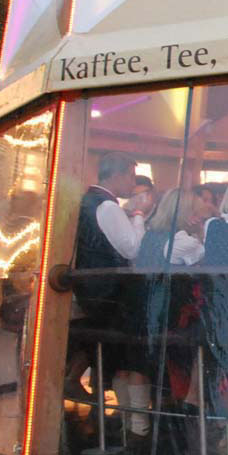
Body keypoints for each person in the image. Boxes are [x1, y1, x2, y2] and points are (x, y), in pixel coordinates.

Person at [71, 151, 153, 435]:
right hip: (111, 295)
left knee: (119, 361)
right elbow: (131, 249)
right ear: (118, 174)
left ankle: (130, 420)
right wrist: (139, 216)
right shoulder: (106, 206)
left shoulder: (90, 201)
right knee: (132, 358)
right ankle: (138, 424)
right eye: (131, 175)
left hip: (94, 293)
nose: (132, 182)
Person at [137, 189, 206, 267]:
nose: (201, 218)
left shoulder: (149, 233)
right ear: (188, 214)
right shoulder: (183, 242)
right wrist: (200, 232)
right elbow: (207, 267)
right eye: (197, 213)